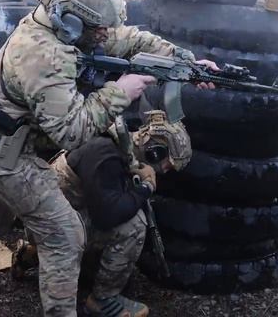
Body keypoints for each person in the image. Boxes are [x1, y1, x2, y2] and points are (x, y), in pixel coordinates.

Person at [0, 0, 217, 317]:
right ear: (74, 23)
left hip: (0, 142)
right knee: (64, 236)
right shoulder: (43, 55)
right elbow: (72, 133)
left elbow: (130, 39)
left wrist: (184, 62)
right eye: (99, 28)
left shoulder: (64, 27)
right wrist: (119, 93)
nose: (106, 34)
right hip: (4, 155)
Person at [11, 110, 191, 317]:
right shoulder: (106, 153)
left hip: (53, 220)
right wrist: (146, 188)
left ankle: (32, 254)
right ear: (155, 151)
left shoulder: (118, 148)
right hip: (52, 227)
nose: (164, 171)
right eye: (167, 164)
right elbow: (107, 216)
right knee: (134, 225)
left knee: (110, 267)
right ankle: (102, 300)